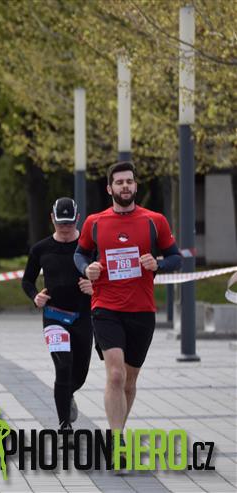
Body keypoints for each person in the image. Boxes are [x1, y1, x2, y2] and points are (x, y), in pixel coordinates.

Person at [74, 161, 181, 442]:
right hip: (105, 307)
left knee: (130, 381)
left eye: (129, 182)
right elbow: (80, 253)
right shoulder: (95, 222)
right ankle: (116, 440)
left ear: (135, 185)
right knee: (116, 375)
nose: (125, 186)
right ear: (110, 188)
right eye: (119, 182)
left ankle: (118, 430)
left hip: (142, 310)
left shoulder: (154, 221)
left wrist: (158, 264)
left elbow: (176, 258)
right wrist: (86, 268)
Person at [22, 197, 93, 435]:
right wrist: (35, 297)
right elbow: (27, 281)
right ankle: (65, 426)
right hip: (54, 316)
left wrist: (95, 288)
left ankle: (67, 394)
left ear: (78, 219)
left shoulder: (89, 247)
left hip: (83, 316)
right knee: (63, 366)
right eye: (61, 223)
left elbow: (106, 278)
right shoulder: (40, 249)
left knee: (79, 374)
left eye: (69, 223)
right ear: (52, 219)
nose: (65, 228)